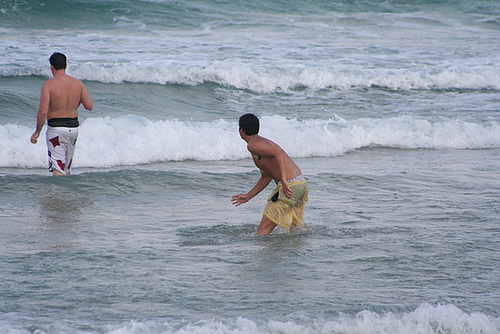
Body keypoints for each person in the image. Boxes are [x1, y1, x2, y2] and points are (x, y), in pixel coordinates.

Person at [232, 113, 309, 235]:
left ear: (241, 129)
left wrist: (283, 180)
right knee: (295, 232)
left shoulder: (253, 145)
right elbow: (266, 177)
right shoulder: (261, 143)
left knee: (262, 233)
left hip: (289, 185)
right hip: (300, 184)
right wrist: (248, 196)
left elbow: (279, 153)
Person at [30, 52, 93, 175]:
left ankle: (57, 194)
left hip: (56, 130)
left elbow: (43, 112)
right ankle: (66, 194)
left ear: (52, 67)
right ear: (66, 65)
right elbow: (89, 106)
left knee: (57, 169)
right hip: (73, 129)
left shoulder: (48, 85)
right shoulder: (78, 84)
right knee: (66, 168)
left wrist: (37, 132)